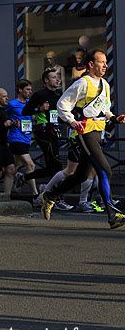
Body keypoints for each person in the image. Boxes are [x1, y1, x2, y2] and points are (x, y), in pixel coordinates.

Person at [42, 49, 125, 229]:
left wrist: (114, 117)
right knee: (105, 170)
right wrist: (72, 122)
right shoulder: (83, 83)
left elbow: (104, 109)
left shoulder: (105, 84)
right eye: (101, 62)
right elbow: (62, 104)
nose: (105, 65)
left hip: (98, 133)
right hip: (84, 132)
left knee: (80, 175)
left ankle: (50, 195)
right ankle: (112, 215)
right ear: (91, 65)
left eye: (105, 62)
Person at [21, 70, 64, 187]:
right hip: (43, 132)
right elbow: (25, 111)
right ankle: (53, 194)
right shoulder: (39, 95)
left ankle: (24, 177)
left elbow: (60, 113)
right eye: (54, 77)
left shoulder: (59, 95)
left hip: (54, 131)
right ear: (46, 80)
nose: (57, 79)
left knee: (52, 169)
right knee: (58, 166)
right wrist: (39, 109)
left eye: (57, 77)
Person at [6, 80, 38, 198]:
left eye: (30, 90)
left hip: (27, 137)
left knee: (14, 168)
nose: (30, 92)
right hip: (15, 137)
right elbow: (4, 116)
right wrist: (11, 122)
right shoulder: (12, 104)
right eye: (27, 89)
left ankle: (6, 195)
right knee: (31, 165)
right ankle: (35, 194)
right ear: (20, 90)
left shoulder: (30, 103)